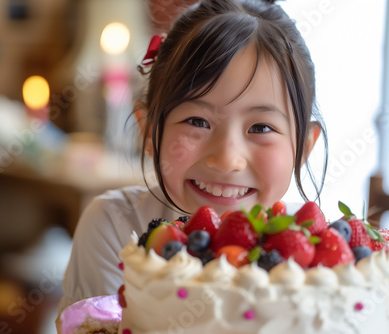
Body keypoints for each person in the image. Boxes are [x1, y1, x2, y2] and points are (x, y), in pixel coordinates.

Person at [58, 0, 327, 314]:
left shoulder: (311, 255)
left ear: (305, 147)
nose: (227, 159)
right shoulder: (115, 227)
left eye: (261, 127)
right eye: (198, 122)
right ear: (149, 131)